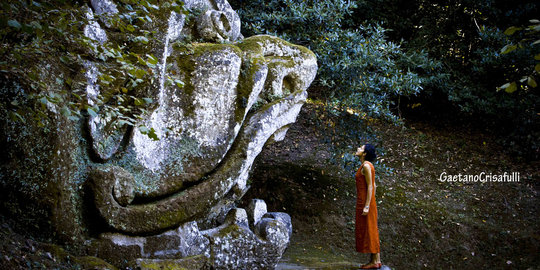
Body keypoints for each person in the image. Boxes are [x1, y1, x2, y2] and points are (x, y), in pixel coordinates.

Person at [354, 144, 382, 269]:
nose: (358, 149)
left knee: (370, 230)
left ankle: (375, 261)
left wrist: (367, 205)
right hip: (364, 201)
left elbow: (371, 186)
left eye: (361, 148)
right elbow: (374, 186)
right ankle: (375, 260)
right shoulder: (364, 165)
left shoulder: (366, 166)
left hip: (366, 202)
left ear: (364, 153)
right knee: (369, 229)